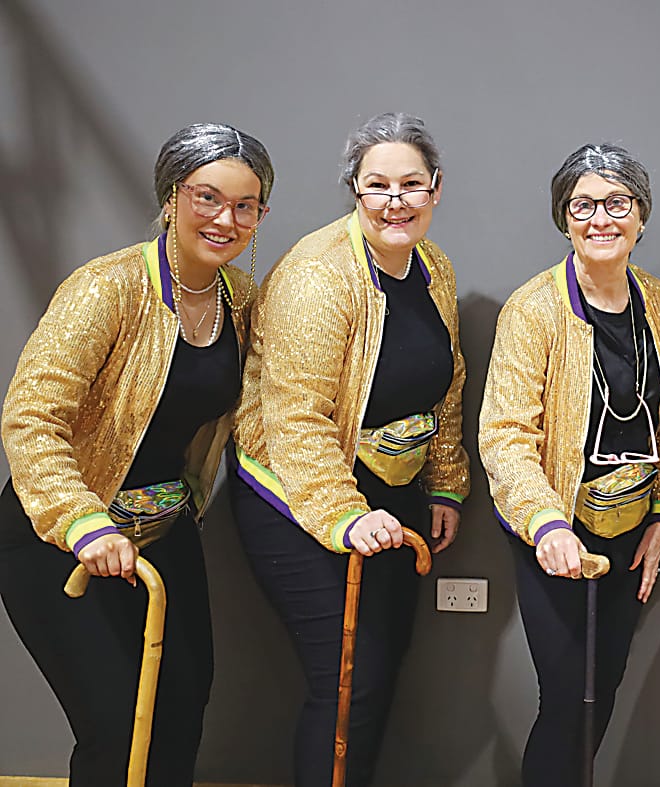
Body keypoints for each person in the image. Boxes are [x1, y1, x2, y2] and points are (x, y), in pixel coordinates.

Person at [0, 123, 273, 785]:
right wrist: (81, 520)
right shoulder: (107, 289)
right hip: (61, 536)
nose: (225, 218)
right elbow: (33, 414)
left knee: (182, 706)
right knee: (119, 725)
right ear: (172, 195)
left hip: (160, 526)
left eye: (245, 204)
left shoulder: (240, 297)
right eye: (207, 197)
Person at [229, 113, 467, 786]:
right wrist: (342, 516)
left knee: (378, 673)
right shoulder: (316, 275)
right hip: (296, 495)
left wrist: (445, 482)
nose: (396, 201)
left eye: (411, 184)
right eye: (377, 185)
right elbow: (295, 420)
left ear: (435, 189)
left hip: (390, 493)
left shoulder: (433, 267)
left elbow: (446, 381)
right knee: (345, 683)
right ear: (354, 191)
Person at [479, 143, 660, 786]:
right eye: (584, 205)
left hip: (633, 525)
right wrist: (546, 523)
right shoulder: (533, 309)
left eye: (617, 203)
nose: (601, 219)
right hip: (556, 526)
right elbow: (505, 433)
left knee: (605, 687)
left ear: (642, 216)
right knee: (568, 694)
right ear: (563, 217)